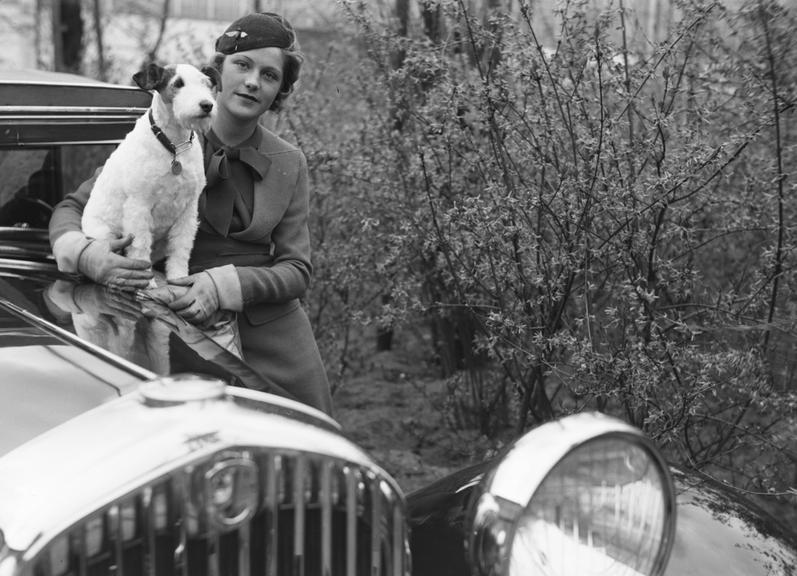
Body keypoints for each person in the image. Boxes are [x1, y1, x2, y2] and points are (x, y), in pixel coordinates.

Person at [48, 12, 333, 415]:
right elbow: (72, 208)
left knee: (304, 446)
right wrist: (88, 254)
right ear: (217, 72)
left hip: (272, 339)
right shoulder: (158, 138)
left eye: (270, 76)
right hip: (180, 327)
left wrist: (222, 286)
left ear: (279, 91)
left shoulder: (289, 162)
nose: (253, 81)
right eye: (242, 65)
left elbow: (296, 270)